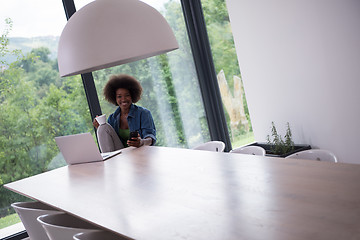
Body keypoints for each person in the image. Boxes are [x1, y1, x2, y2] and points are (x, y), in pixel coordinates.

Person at [93, 74, 156, 152]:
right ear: (114, 98)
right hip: (122, 154)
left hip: (140, 151)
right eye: (119, 96)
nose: (123, 99)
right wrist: (99, 128)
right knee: (103, 127)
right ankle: (109, 160)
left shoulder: (143, 113)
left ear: (132, 96)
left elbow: (151, 138)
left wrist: (141, 142)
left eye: (127, 95)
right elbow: (110, 142)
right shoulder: (112, 118)